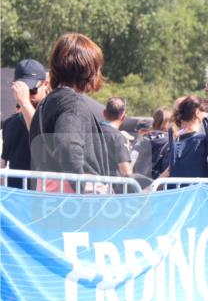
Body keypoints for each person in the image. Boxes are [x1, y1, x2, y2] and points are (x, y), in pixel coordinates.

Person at [28, 33, 114, 190]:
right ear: (88, 69)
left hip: (48, 197)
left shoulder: (45, 103)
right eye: (97, 68)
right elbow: (67, 145)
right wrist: (84, 185)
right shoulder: (71, 103)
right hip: (74, 202)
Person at [2, 59, 50, 188]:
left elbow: (42, 138)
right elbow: (3, 163)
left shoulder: (54, 115)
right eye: (22, 90)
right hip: (15, 199)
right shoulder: (10, 124)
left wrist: (24, 103)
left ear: (45, 84)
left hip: (43, 199)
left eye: (32, 90)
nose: (27, 96)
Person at [101, 97, 133, 177]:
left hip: (85, 185)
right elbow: (126, 172)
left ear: (104, 113)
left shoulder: (90, 129)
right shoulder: (118, 137)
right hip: (109, 186)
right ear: (123, 117)